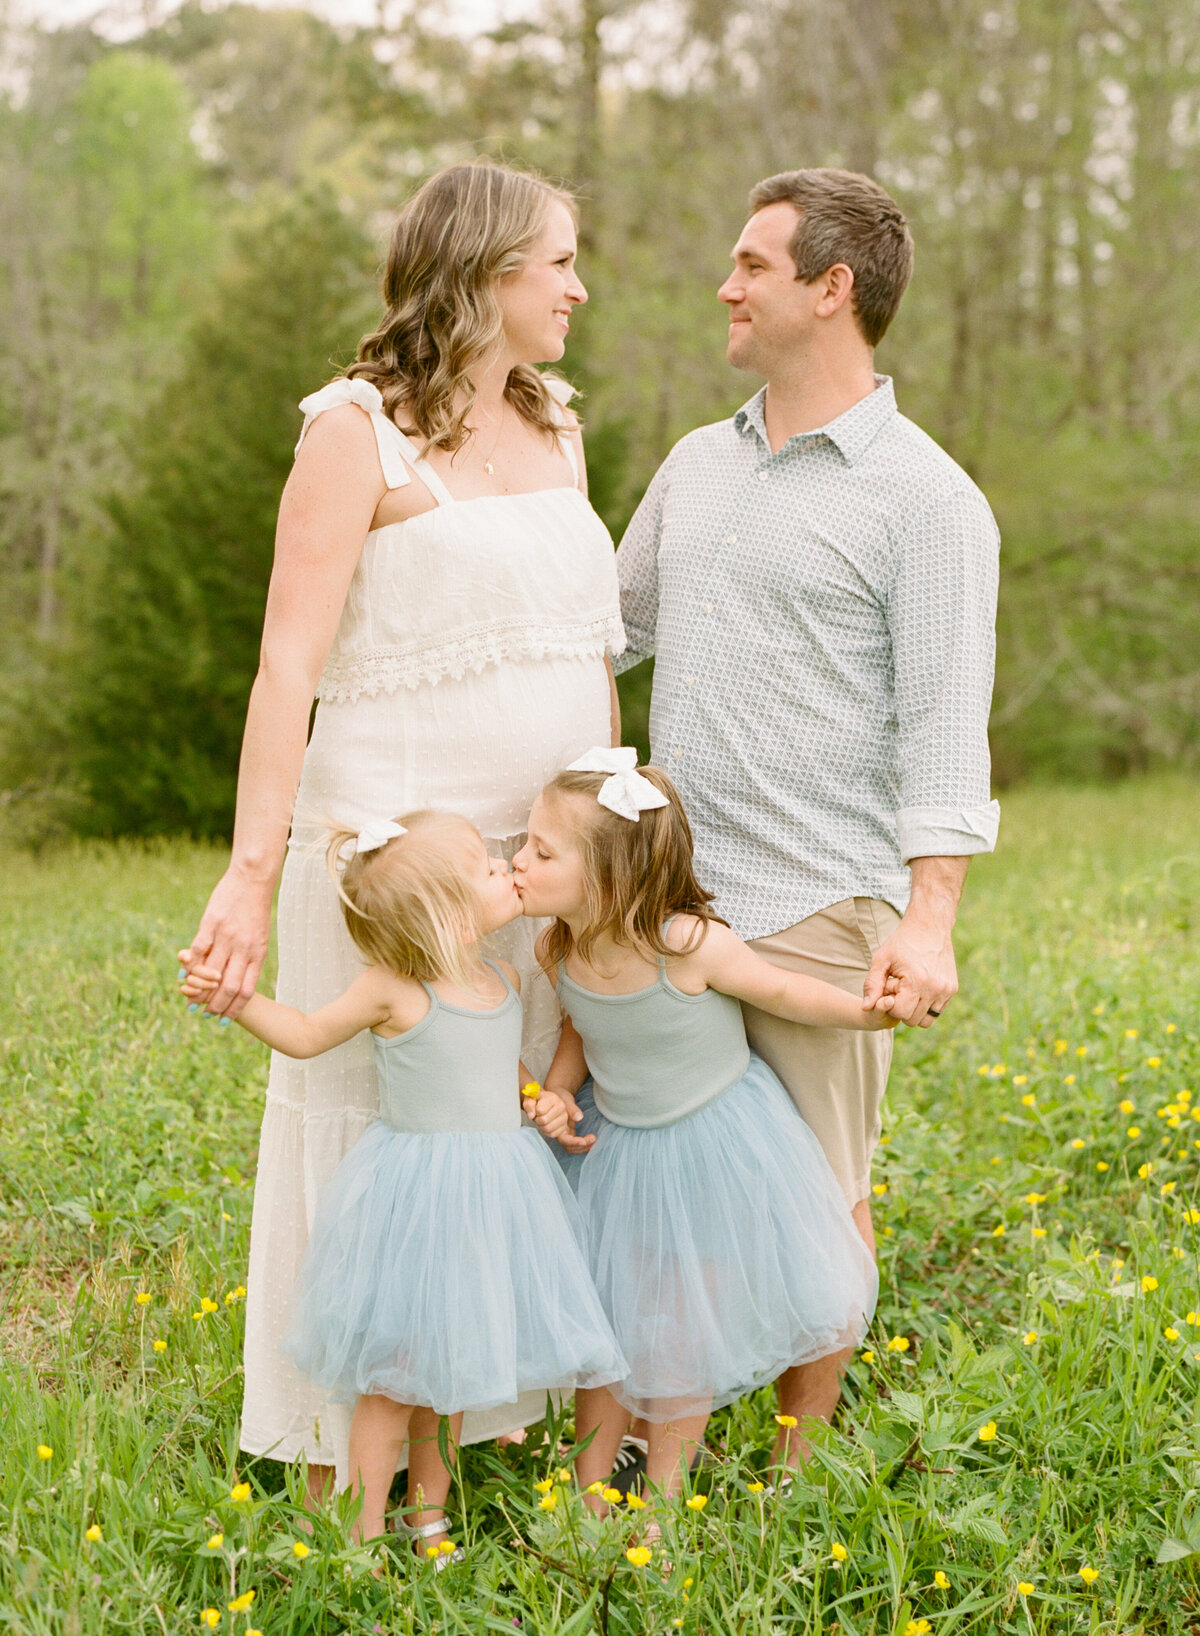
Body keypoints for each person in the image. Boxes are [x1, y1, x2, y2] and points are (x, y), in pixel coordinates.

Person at [177, 161, 626, 1509]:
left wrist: (607, 838)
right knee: (387, 1135)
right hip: (394, 860)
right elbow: (284, 669)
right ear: (485, 270)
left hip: (529, 864)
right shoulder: (352, 430)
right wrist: (249, 878)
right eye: (556, 260)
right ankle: (340, 1451)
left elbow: (588, 653)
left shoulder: (561, 424)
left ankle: (472, 1426)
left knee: (499, 1131)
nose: (575, 286)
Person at [614, 167, 1000, 1465]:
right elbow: (608, 636)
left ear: (833, 291)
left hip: (823, 902)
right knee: (667, 1182)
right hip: (667, 902)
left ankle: (800, 1467)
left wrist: (929, 919)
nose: (725, 286)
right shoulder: (692, 463)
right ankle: (660, 1447)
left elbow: (947, 730)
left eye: (753, 266)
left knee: (816, 1193)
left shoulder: (930, 501)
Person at [180, 812, 624, 1550]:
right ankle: (358, 1533)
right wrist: (237, 1000)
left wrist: (534, 1096)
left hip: (494, 1196)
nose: (505, 866)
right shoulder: (396, 990)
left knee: (450, 1381)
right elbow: (308, 1034)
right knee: (394, 1382)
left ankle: (429, 1520)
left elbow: (496, 1064)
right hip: (418, 1200)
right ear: (447, 913)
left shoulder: (502, 978)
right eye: (487, 869)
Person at [511, 752, 890, 1500]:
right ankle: (588, 1497)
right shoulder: (558, 946)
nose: (517, 861)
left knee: (681, 1338)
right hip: (620, 1150)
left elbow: (782, 990)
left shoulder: (685, 945)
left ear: (610, 878)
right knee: (613, 1327)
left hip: (714, 1152)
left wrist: (865, 1012)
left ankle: (663, 1503)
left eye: (540, 850)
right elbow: (578, 1038)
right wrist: (557, 1094)